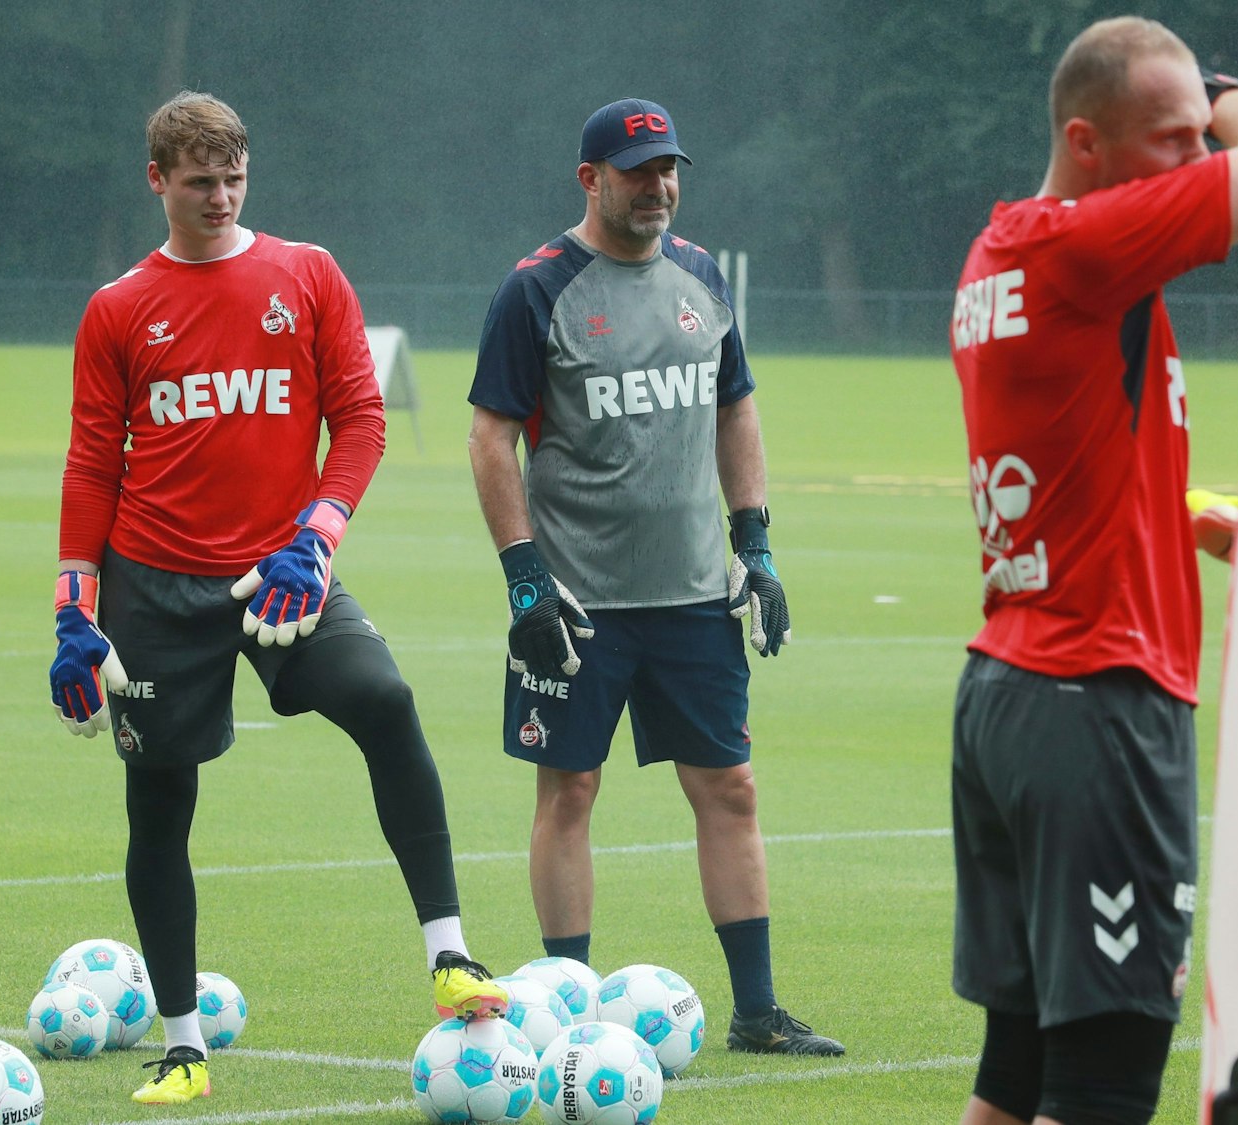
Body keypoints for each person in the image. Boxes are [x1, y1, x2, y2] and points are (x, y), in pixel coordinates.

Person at [49, 90, 506, 1107]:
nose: (219, 197)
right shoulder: (120, 306)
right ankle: (180, 1044)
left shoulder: (305, 275)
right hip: (153, 588)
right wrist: (73, 611)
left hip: (282, 575)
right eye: (199, 180)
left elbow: (361, 420)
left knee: (383, 700)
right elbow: (90, 464)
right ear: (158, 181)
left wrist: (319, 535)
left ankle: (449, 954)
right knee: (160, 803)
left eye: (233, 178)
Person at [947, 19, 1238, 1125]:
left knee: (1013, 1073)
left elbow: (1080, 462)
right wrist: (1217, 89)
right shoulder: (1087, 247)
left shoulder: (998, 257)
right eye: (1174, 139)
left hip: (1010, 691)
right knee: (1106, 1081)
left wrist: (1190, 517)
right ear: (1087, 144)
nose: (1199, 161)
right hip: (1099, 700)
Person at [465, 97, 842, 1057]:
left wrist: (754, 544)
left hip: (694, 596)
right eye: (638, 171)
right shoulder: (538, 288)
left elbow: (736, 408)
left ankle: (756, 1012)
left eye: (670, 167)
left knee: (732, 788)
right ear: (591, 180)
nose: (659, 186)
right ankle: (572, 1013)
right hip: (579, 603)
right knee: (571, 792)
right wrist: (524, 580)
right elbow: (491, 437)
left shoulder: (703, 276)